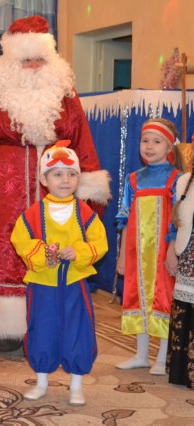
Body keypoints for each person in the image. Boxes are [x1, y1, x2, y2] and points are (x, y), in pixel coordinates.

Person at [0, 15, 110, 352]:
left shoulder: (66, 93)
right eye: (25, 59)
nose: (32, 66)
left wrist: (88, 183)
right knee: (5, 246)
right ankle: (9, 328)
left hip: (56, 182)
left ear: (51, 59)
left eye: (39, 59)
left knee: (53, 242)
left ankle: (48, 322)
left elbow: (82, 140)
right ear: (11, 60)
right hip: (4, 184)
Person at [10, 140, 108, 406]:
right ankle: (41, 381)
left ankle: (76, 384)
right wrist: (43, 254)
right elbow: (20, 240)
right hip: (43, 283)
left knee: (77, 329)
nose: (65, 180)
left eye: (71, 173)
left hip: (75, 282)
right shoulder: (32, 214)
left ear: (78, 178)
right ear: (44, 179)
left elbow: (100, 242)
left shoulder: (85, 212)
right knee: (42, 328)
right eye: (57, 174)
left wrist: (79, 251)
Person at [115, 118, 181, 375]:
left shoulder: (176, 178)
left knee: (163, 299)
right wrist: (122, 255)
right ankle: (141, 355)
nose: (149, 146)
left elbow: (179, 218)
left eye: (156, 142)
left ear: (169, 147)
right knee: (137, 297)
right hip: (137, 253)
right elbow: (124, 218)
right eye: (145, 141)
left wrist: (173, 250)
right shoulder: (133, 180)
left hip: (163, 253)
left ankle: (162, 358)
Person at [169, 163, 194, 389]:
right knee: (185, 312)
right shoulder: (184, 181)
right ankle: (181, 372)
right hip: (188, 256)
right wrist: (172, 250)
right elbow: (176, 223)